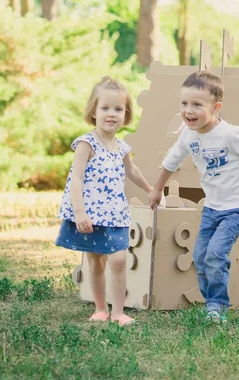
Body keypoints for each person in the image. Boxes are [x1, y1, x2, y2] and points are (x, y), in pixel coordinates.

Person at [149, 70, 239, 323]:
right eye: (184, 104)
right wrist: (157, 188)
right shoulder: (188, 136)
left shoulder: (230, 134)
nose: (189, 111)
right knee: (200, 257)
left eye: (197, 105)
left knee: (216, 254)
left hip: (238, 208)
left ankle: (217, 305)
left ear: (216, 107)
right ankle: (211, 303)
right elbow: (170, 162)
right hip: (212, 208)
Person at [56, 76, 152, 326]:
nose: (112, 114)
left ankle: (118, 312)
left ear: (126, 113)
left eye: (118, 109)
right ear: (94, 112)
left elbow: (132, 171)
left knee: (119, 259)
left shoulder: (122, 147)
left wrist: (149, 189)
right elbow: (75, 179)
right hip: (91, 214)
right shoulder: (86, 144)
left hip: (116, 213)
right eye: (105, 108)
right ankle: (100, 309)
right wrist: (79, 212)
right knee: (96, 261)